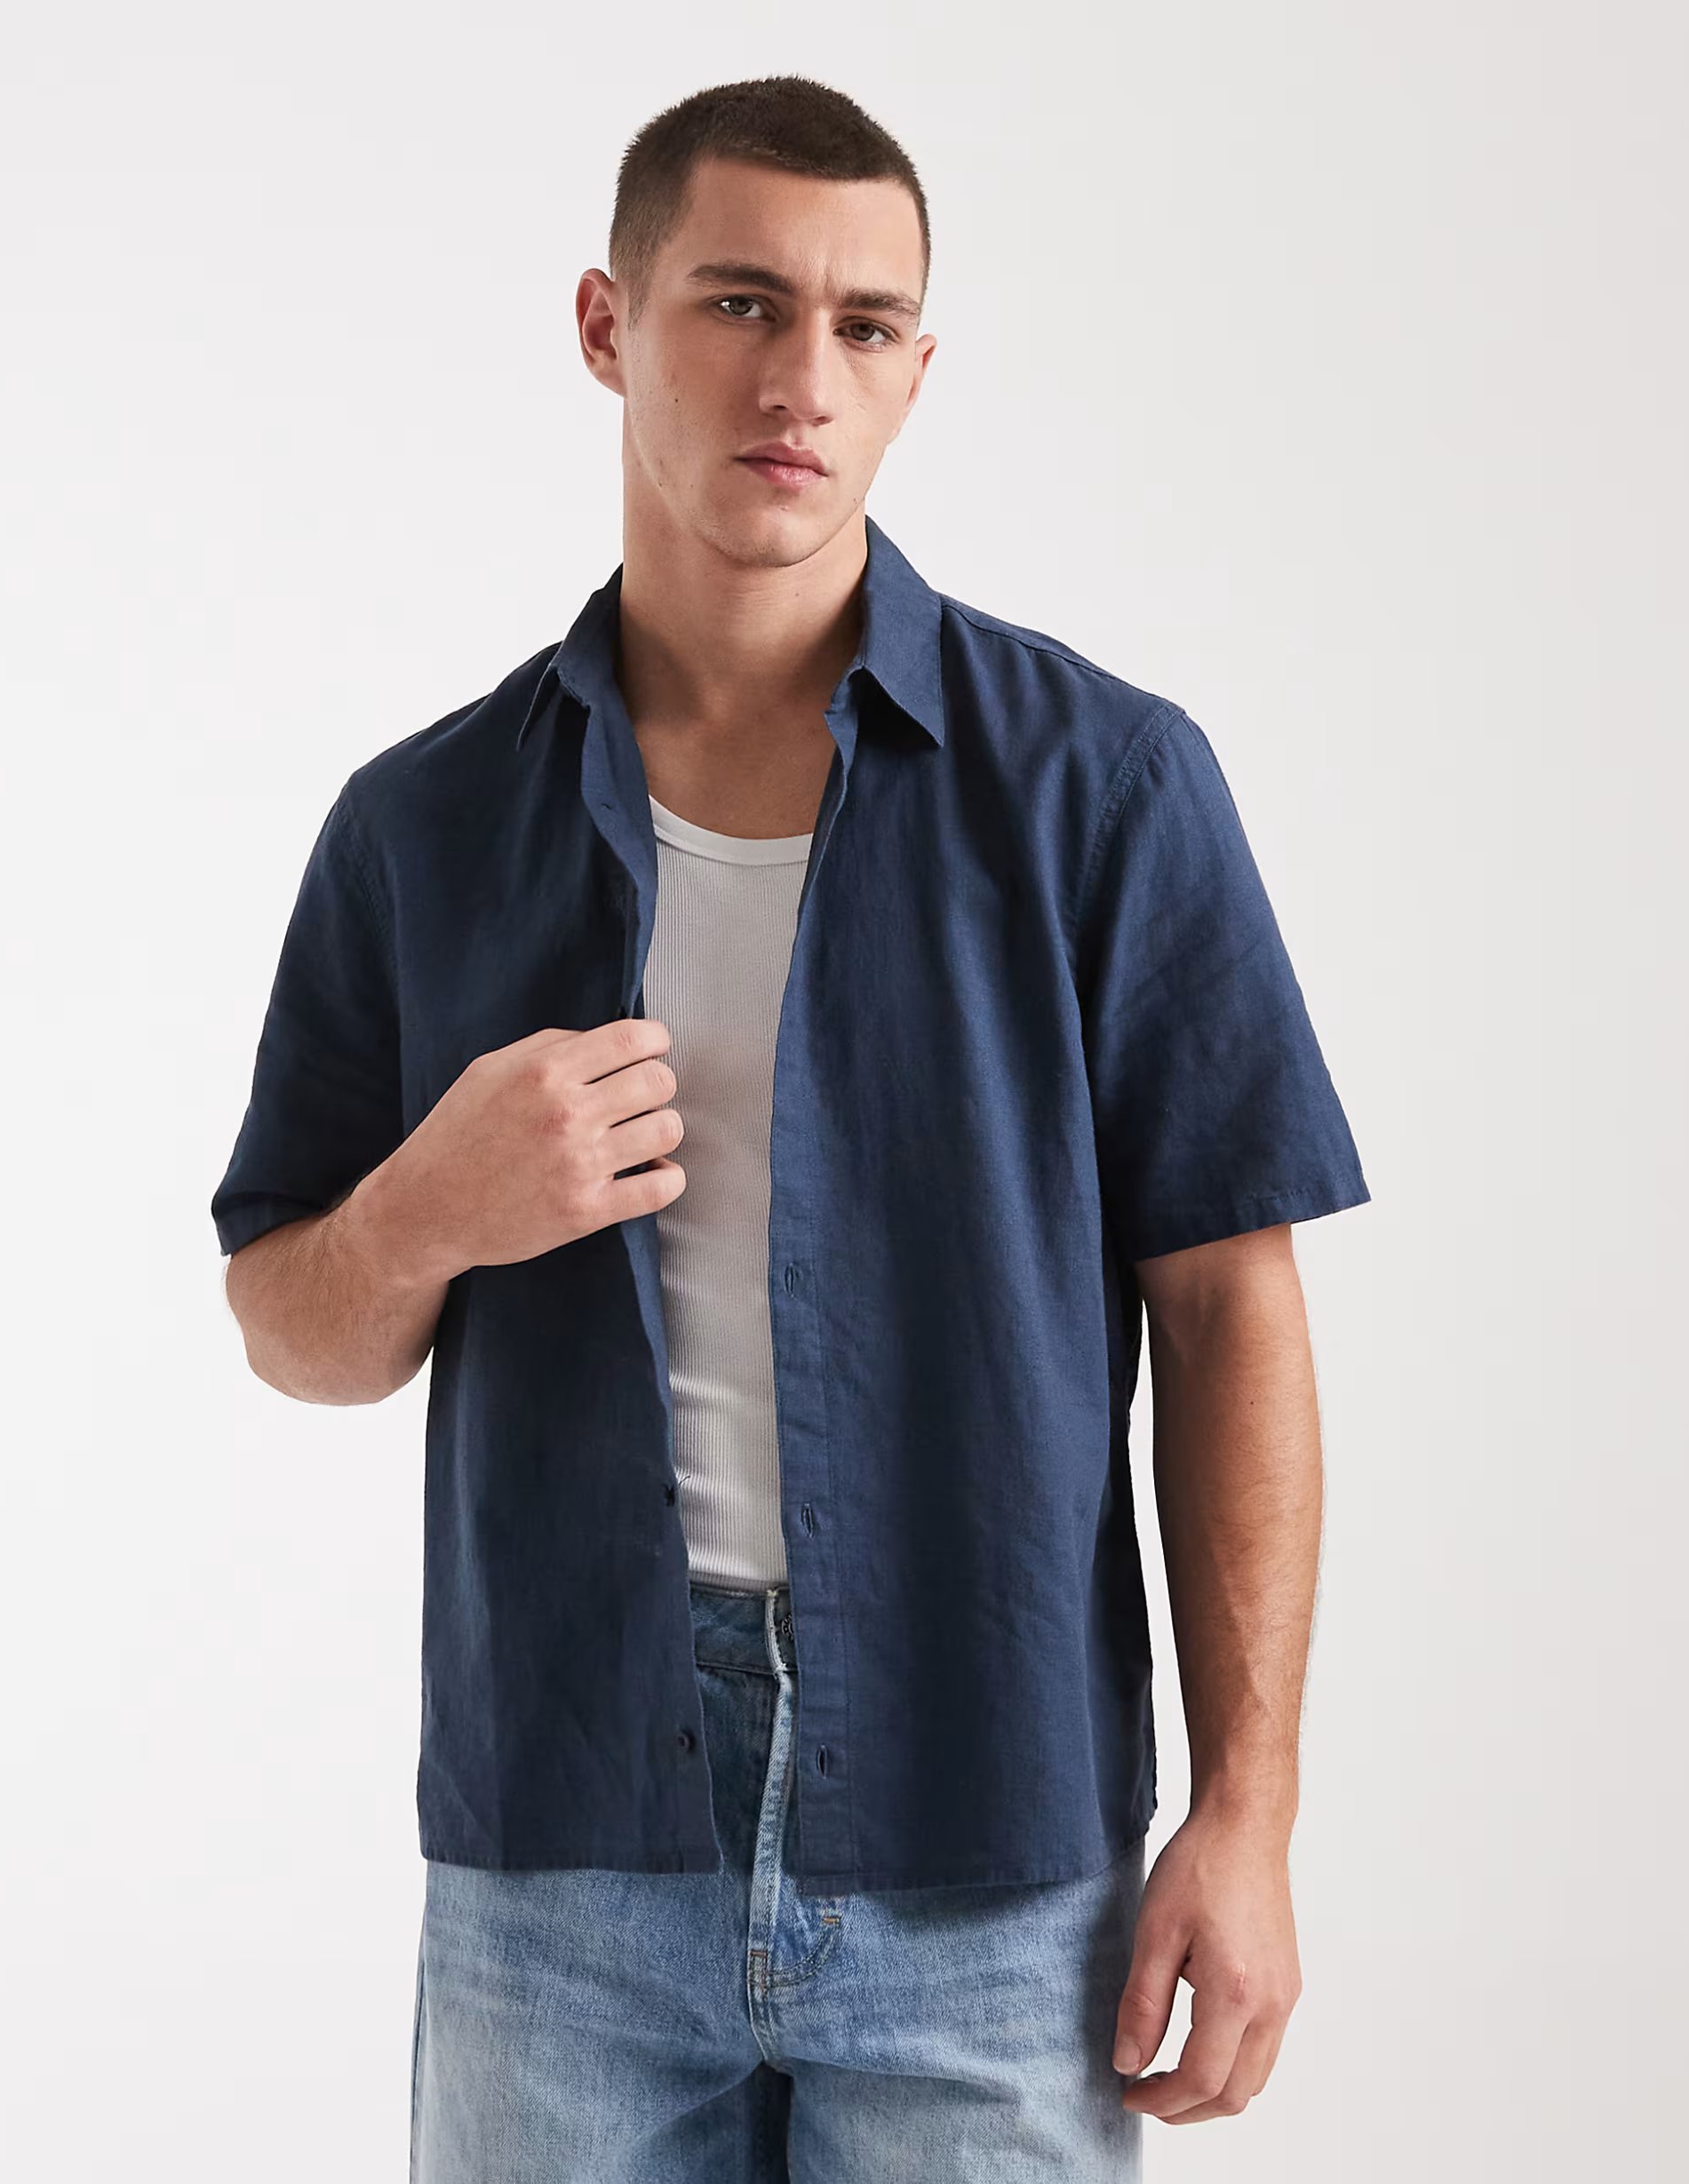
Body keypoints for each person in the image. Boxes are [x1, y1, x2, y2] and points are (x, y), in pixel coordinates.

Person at [212, 72, 1370, 2181]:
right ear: (607, 322)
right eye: (741, 301)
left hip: (988, 1853)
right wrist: (426, 1211)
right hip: (562, 1857)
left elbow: (1233, 1308)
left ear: (919, 368)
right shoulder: (423, 826)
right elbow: (293, 1320)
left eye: (864, 323)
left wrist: (1250, 1807)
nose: (801, 376)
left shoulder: (1103, 789)